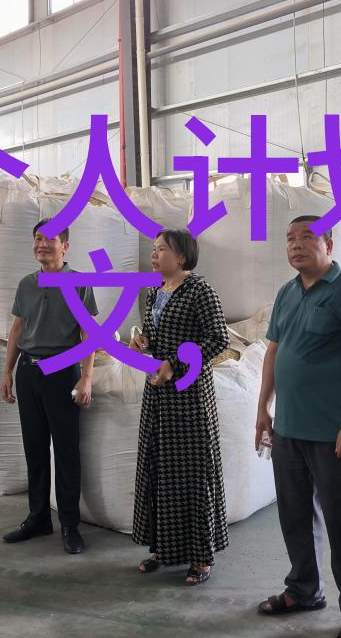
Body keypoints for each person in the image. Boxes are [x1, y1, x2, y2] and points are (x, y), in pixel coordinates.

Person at [255, 215, 341, 638]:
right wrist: (263, 408)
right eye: (290, 238)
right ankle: (304, 590)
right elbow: (274, 352)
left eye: (307, 237)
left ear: (329, 244)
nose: (296, 244)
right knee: (294, 517)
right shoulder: (287, 292)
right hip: (289, 429)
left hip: (334, 430)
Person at [129, 229, 230, 586]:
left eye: (162, 249)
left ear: (182, 256)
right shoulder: (155, 291)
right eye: (154, 249)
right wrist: (142, 342)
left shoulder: (200, 291)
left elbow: (218, 338)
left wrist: (175, 363)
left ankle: (201, 557)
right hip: (158, 393)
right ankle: (164, 548)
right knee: (160, 468)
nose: (154, 255)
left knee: (192, 473)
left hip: (189, 395)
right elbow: (156, 337)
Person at [0, 221, 96, 554]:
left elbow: (88, 333)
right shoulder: (26, 284)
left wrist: (86, 377)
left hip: (61, 373)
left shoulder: (79, 283)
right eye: (37, 238)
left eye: (50, 239)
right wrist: (7, 372)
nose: (42, 244)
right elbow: (17, 328)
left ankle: (69, 525)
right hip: (28, 372)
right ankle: (38, 517)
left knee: (66, 451)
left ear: (65, 246)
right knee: (35, 448)